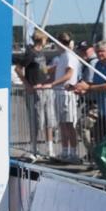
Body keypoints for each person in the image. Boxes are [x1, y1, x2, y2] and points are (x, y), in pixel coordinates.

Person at [14, 30, 55, 161]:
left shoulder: (41, 53)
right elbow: (18, 68)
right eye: (45, 40)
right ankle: (34, 148)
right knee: (36, 120)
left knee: (49, 119)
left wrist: (50, 73)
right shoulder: (30, 53)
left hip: (45, 89)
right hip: (35, 90)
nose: (46, 42)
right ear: (42, 40)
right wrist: (27, 84)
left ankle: (50, 149)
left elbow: (43, 69)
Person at [48, 33, 81, 163]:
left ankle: (73, 153)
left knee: (69, 124)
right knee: (62, 124)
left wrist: (52, 84)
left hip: (67, 93)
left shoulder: (69, 56)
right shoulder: (62, 56)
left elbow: (69, 74)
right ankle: (65, 152)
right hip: (60, 93)